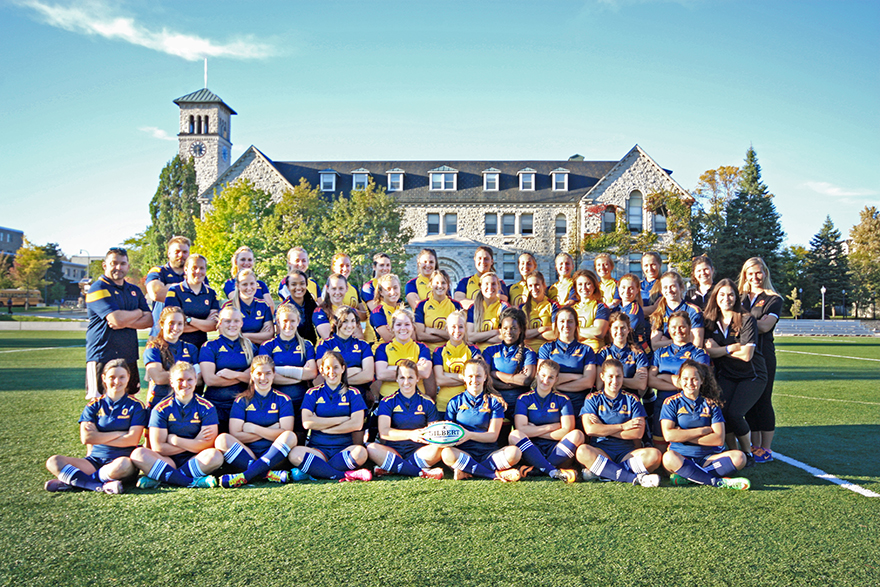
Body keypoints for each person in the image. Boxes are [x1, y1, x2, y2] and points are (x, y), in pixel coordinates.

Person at [44, 359, 146, 494]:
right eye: (112, 377)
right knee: (53, 461)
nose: (117, 381)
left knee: (123, 465)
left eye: (121, 377)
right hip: (93, 461)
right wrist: (119, 434)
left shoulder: (136, 406)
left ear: (128, 378)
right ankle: (98, 485)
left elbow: (132, 440)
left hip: (119, 463)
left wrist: (98, 436)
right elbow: (86, 438)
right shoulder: (94, 405)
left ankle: (75, 481)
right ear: (104, 378)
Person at [214, 355, 304, 488]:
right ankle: (266, 473)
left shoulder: (283, 399)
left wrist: (253, 428)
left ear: (274, 374)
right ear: (252, 375)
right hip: (247, 455)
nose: (263, 378)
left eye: (268, 373)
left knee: (290, 436)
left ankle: (246, 475)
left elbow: (286, 432)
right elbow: (236, 435)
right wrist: (273, 429)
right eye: (259, 373)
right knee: (222, 440)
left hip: (274, 455)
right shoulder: (242, 400)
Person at [703, 279, 767, 465]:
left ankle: (747, 452)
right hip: (727, 374)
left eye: (730, 294)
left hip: (752, 375)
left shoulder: (746, 319)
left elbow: (747, 355)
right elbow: (709, 351)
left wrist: (720, 350)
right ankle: (733, 452)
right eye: (722, 294)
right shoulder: (710, 322)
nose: (726, 298)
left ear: (736, 297)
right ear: (715, 297)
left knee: (735, 414)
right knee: (722, 412)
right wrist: (732, 348)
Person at [130, 361, 223, 489]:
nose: (185, 384)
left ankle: (166, 478)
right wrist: (195, 442)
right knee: (138, 454)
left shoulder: (207, 407)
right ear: (171, 382)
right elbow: (158, 447)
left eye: (189, 379)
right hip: (167, 460)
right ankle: (191, 481)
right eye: (180, 380)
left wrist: (175, 440)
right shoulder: (161, 409)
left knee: (216, 456)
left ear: (196, 380)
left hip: (195, 459)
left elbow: (208, 444)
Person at [660, 360, 751, 490]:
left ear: (701, 381)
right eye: (685, 379)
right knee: (668, 458)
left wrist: (681, 434)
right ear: (679, 381)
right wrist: (702, 431)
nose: (690, 383)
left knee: (740, 457)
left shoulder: (711, 404)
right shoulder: (671, 403)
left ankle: (690, 477)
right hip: (682, 457)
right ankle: (717, 481)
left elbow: (719, 439)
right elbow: (669, 435)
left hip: (709, 458)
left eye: (694, 379)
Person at [287, 352, 373, 482]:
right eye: (327, 368)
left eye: (336, 367)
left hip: (344, 450)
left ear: (343, 369)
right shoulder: (312, 393)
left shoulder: (353, 393)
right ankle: (343, 475)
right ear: (321, 370)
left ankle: (317, 471)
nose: (331, 371)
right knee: (294, 454)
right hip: (318, 451)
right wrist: (341, 419)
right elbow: (307, 422)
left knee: (361, 453)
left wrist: (325, 427)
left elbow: (356, 424)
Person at [576, 358, 662, 487]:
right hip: (602, 452)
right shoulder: (592, 399)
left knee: (655, 455)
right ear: (602, 376)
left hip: (627, 454)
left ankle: (605, 472)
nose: (614, 381)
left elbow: (637, 433)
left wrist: (603, 428)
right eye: (610, 376)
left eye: (618, 376)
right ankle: (633, 478)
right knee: (582, 451)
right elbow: (590, 430)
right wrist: (623, 426)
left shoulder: (632, 399)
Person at [85, 247, 152, 399]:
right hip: (102, 354)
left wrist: (123, 320)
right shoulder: (98, 288)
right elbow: (116, 319)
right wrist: (138, 313)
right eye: (114, 263)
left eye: (122, 264)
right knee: (99, 403)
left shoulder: (134, 290)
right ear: (105, 265)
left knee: (131, 399)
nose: (118, 267)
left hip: (128, 354)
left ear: (128, 266)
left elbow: (149, 320)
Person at [440, 359, 522, 482]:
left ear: (485, 377)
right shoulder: (455, 402)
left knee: (515, 452)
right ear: (464, 378)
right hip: (463, 454)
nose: (474, 380)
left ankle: (468, 470)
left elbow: (493, 436)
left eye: (478, 376)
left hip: (489, 455)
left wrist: (468, 435)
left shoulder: (494, 402)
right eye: (470, 376)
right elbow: (449, 435)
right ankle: (492, 474)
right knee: (446, 454)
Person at [366, 359, 445, 479]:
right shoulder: (387, 401)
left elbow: (433, 435)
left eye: (410, 377)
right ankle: (421, 472)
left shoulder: (427, 402)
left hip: (419, 452)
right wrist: (411, 434)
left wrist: (425, 435)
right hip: (393, 451)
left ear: (417, 378)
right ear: (396, 379)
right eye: (402, 378)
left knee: (441, 447)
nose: (406, 382)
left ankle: (394, 467)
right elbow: (384, 433)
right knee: (371, 448)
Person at [739, 257, 784, 463]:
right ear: (745, 275)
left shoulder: (774, 298)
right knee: (748, 402)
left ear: (765, 273)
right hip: (742, 355)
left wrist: (740, 321)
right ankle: (754, 445)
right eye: (751, 273)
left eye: (758, 272)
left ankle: (766, 447)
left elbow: (766, 326)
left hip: (763, 355)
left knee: (764, 400)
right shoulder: (740, 297)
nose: (755, 277)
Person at [508, 359, 582, 482]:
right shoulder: (524, 399)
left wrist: (533, 429)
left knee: (578, 435)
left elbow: (567, 430)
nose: (545, 381)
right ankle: (552, 470)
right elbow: (521, 429)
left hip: (556, 448)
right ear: (537, 375)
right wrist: (552, 427)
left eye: (551, 377)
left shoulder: (563, 400)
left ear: (556, 379)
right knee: (514, 435)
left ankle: (537, 469)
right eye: (543, 375)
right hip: (531, 448)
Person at [647, 311, 710, 446]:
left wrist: (663, 376)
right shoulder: (660, 352)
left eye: (682, 326)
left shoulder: (699, 353)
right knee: (660, 451)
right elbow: (651, 380)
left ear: (689, 327)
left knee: (687, 446)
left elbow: (698, 381)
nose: (678, 331)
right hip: (663, 404)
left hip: (689, 406)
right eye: (673, 327)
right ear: (668, 329)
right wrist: (680, 383)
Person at [259, 303, 318, 444]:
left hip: (300, 400)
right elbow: (265, 376)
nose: (288, 325)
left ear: (298, 322)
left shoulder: (306, 345)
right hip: (275, 401)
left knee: (298, 441)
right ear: (278, 322)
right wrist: (299, 376)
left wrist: (277, 370)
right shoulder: (267, 346)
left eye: (292, 321)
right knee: (278, 440)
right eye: (285, 321)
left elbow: (311, 373)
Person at [199, 306, 254, 432]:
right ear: (220, 323)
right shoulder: (210, 346)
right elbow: (210, 380)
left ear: (241, 323)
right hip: (216, 406)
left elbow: (254, 378)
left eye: (236, 321)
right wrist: (242, 376)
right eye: (227, 321)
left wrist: (232, 374)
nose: (232, 325)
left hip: (243, 405)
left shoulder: (250, 347)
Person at [538, 306, 597, 418]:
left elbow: (588, 382)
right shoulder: (546, 348)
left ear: (576, 325)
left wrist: (555, 384)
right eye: (562, 321)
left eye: (570, 321)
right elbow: (541, 379)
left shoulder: (587, 350)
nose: (566, 325)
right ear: (556, 325)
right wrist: (576, 376)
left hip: (579, 403)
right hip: (552, 403)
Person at [483, 307, 537, 424]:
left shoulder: (528, 352)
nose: (509, 332)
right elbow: (486, 379)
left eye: (513, 328)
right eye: (505, 328)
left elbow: (525, 381)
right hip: (495, 402)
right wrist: (513, 382)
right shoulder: (490, 351)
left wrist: (496, 374)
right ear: (500, 329)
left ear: (520, 330)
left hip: (520, 404)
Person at [144, 306, 200, 411]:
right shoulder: (153, 348)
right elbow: (159, 378)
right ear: (162, 324)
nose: (176, 327)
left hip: (186, 404)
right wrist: (185, 372)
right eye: (171, 323)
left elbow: (200, 379)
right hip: (160, 403)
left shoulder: (191, 348)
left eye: (180, 324)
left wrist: (173, 373)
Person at [315, 306, 375, 397]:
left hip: (359, 396)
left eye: (353, 321)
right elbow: (326, 374)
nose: (350, 325)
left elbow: (368, 376)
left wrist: (337, 378)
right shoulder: (325, 345)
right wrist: (357, 370)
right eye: (345, 321)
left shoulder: (363, 345)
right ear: (336, 322)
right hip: (334, 396)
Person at [374, 308, 433, 399]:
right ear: (392, 328)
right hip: (389, 397)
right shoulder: (383, 348)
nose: (403, 328)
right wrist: (414, 368)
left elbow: (425, 373)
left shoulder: (422, 348)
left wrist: (390, 368)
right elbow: (381, 374)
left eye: (407, 324)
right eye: (398, 324)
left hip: (416, 397)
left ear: (413, 327)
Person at [164, 254, 220, 349]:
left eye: (202, 268)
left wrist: (189, 320)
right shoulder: (175, 291)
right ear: (185, 269)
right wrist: (204, 323)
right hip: (178, 346)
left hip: (201, 347)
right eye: (194, 268)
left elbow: (214, 325)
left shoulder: (211, 293)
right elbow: (174, 326)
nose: (198, 271)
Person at [432, 309, 481, 413]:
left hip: (468, 403)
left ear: (465, 328)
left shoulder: (473, 350)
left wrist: (447, 375)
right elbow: (439, 380)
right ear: (447, 329)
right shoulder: (439, 351)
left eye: (461, 327)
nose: (457, 330)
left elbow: (476, 377)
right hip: (443, 404)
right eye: (453, 327)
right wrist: (466, 378)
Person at [145, 236, 190, 338]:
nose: (181, 255)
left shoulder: (196, 274)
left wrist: (169, 287)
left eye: (185, 252)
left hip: (190, 334)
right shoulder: (158, 271)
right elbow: (156, 293)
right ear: (168, 253)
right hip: (160, 335)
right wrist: (189, 292)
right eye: (177, 251)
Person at [650, 271, 704, 350]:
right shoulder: (659, 312)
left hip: (688, 356)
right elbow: (654, 345)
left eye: (672, 286)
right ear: (661, 291)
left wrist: (667, 341)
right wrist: (684, 339)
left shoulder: (693, 311)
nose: (669, 290)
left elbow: (697, 344)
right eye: (665, 287)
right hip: (666, 357)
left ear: (681, 287)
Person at [223, 268, 274, 345]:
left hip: (260, 350)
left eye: (252, 284)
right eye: (244, 284)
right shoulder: (228, 307)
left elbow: (269, 335)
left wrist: (243, 335)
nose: (249, 288)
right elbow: (226, 336)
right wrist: (259, 336)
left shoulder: (263, 305)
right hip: (236, 350)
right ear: (237, 286)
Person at [414, 269, 462, 351]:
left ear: (448, 285)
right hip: (428, 353)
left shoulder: (456, 305)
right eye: (436, 283)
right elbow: (420, 335)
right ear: (430, 284)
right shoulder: (421, 306)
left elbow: (461, 334)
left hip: (451, 351)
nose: (440, 286)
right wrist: (448, 336)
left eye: (443, 283)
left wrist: (433, 331)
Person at [223, 245, 274, 312]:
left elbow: (270, 307)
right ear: (236, 262)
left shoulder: (261, 284)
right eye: (243, 259)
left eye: (249, 260)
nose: (246, 263)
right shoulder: (230, 283)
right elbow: (239, 304)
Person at [466, 272, 509, 350]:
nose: (490, 287)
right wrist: (495, 332)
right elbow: (469, 337)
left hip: (499, 352)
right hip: (478, 353)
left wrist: (479, 339)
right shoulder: (473, 308)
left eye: (493, 284)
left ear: (498, 286)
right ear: (480, 286)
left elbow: (506, 336)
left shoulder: (504, 307)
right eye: (486, 284)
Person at [571, 269, 609, 352]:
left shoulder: (601, 307)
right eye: (580, 284)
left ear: (594, 286)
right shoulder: (572, 309)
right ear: (576, 287)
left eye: (588, 284)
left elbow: (599, 332)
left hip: (594, 351)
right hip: (575, 352)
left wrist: (573, 330)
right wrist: (589, 330)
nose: (584, 288)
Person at [313, 273, 358, 341]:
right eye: (334, 288)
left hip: (349, 349)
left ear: (346, 289)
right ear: (327, 289)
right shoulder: (320, 311)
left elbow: (358, 336)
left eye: (341, 288)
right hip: (328, 350)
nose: (337, 292)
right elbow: (328, 338)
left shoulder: (351, 310)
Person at [279, 268, 318, 344]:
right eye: (294, 284)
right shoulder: (284, 308)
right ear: (288, 287)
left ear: (306, 285)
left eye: (302, 284)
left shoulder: (312, 304)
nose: (298, 287)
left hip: (311, 346)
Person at [615, 273, 651, 353]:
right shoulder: (618, 307)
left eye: (631, 288)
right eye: (623, 287)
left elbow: (625, 334)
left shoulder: (634, 311)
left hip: (637, 349)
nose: (626, 291)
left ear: (637, 290)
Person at [324, 252, 367, 320]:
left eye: (347, 265)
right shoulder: (329, 287)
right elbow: (331, 311)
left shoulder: (354, 289)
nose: (345, 269)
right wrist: (353, 312)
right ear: (333, 268)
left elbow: (364, 315)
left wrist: (349, 311)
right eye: (341, 266)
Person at [520, 272, 557, 352]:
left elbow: (556, 334)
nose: (534, 288)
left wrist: (530, 335)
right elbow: (519, 334)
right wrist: (543, 329)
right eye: (530, 286)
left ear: (543, 285)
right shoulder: (521, 308)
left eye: (537, 284)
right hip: (526, 351)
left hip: (549, 350)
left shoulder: (553, 306)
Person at [367, 273, 405, 345]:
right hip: (383, 352)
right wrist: (405, 331)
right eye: (388, 289)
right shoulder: (378, 313)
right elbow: (389, 338)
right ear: (381, 292)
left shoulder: (403, 310)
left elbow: (415, 336)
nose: (393, 292)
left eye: (395, 288)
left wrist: (394, 331)